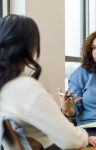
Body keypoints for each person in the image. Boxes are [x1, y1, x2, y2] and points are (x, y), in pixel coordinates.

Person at [0, 14, 89, 150]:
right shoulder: (27, 88)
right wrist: (83, 135)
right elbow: (72, 141)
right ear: (31, 47)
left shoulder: (6, 87)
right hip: (63, 144)